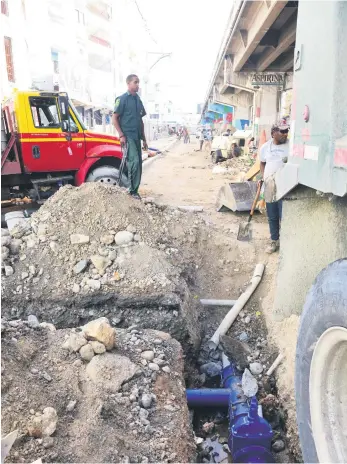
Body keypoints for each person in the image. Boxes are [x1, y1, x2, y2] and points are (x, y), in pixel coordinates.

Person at [112, 74, 148, 200]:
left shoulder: (138, 100)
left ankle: (134, 190)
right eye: (135, 82)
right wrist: (121, 135)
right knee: (134, 162)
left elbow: (141, 121)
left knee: (138, 164)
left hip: (137, 136)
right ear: (128, 84)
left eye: (138, 82)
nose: (137, 85)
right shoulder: (122, 99)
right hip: (128, 136)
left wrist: (144, 139)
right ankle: (132, 191)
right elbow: (114, 118)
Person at [259, 123, 289, 253]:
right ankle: (274, 241)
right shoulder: (265, 147)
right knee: (272, 215)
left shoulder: (291, 146)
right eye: (282, 131)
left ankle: (287, 243)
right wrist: (262, 177)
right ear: (273, 133)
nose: (285, 134)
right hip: (270, 185)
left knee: (285, 215)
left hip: (285, 186)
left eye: (286, 131)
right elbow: (262, 163)